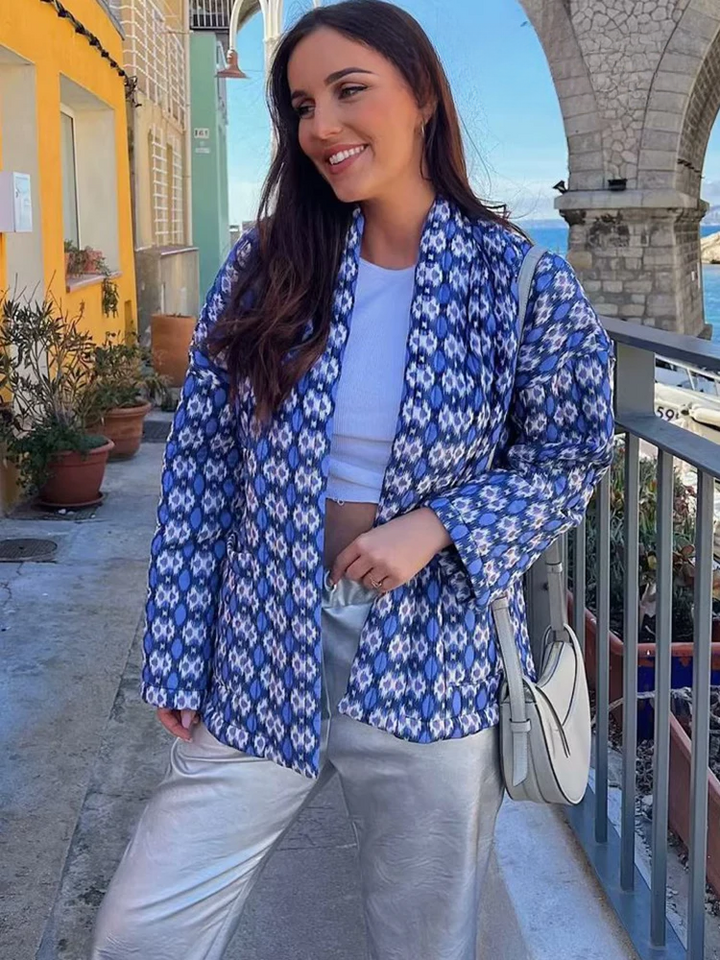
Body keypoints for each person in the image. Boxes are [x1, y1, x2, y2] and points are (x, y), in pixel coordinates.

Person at [90, 1, 615, 958]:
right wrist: (176, 646)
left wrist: (439, 525)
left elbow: (571, 456)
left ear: (421, 97)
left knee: (424, 940)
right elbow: (203, 469)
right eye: (301, 105)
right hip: (262, 644)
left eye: (348, 91)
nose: (321, 125)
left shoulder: (520, 283)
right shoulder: (266, 267)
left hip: (431, 660)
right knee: (141, 928)